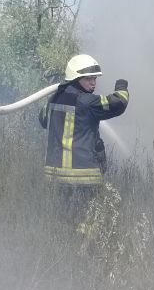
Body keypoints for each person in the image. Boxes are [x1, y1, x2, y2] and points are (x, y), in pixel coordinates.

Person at [39, 53, 129, 222]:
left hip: (55, 176)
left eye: (94, 79)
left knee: (61, 221)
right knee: (87, 221)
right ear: (75, 78)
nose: (93, 83)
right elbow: (118, 104)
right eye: (88, 79)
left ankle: (64, 245)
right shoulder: (87, 101)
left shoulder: (53, 99)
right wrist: (122, 88)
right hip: (82, 178)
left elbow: (43, 120)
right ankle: (83, 247)